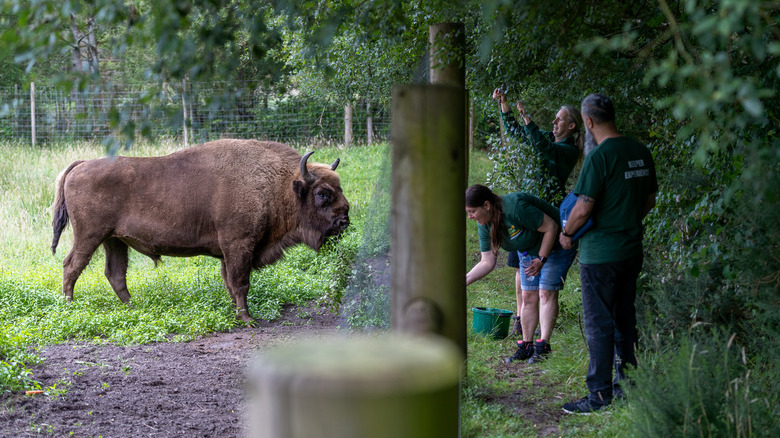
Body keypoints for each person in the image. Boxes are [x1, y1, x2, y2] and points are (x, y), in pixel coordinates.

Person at [559, 93, 657, 414]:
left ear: (587, 122)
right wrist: (626, 219)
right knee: (624, 318)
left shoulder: (599, 157)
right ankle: (627, 385)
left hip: (601, 256)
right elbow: (649, 200)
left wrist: (567, 233)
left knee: (599, 322)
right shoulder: (640, 152)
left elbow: (583, 207)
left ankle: (599, 395)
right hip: (631, 250)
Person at [491, 86, 584, 342]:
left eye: (559, 119)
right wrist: (504, 105)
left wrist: (528, 119)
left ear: (572, 126)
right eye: (554, 118)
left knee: (539, 277)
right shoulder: (544, 136)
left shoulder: (568, 151)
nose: (554, 122)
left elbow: (544, 148)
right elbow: (517, 133)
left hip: (545, 214)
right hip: (525, 211)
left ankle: (539, 335)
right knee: (519, 270)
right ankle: (521, 321)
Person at [465, 185, 577, 364]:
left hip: (557, 243)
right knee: (528, 296)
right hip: (527, 250)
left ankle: (543, 346)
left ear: (486, 205)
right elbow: (487, 262)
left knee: (546, 291)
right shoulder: (484, 225)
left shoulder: (515, 207)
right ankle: (527, 345)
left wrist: (541, 259)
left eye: (472, 211)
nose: (470, 217)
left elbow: (551, 227)